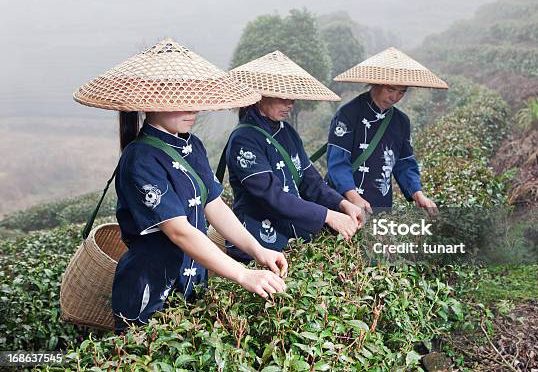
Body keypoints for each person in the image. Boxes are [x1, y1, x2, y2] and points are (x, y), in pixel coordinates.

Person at [73, 39, 288, 332]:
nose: (193, 109)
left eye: (193, 97)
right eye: (178, 99)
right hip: (150, 290)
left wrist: (257, 249)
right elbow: (179, 231)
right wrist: (242, 275)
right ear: (150, 101)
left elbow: (214, 205)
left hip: (192, 280)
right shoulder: (140, 158)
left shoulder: (193, 145)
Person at [220, 51, 364, 262]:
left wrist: (343, 204)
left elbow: (310, 179)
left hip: (292, 234)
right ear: (260, 96)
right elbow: (272, 197)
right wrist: (328, 216)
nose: (290, 104)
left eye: (292, 97)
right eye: (282, 97)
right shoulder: (244, 139)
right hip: (257, 239)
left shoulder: (287, 131)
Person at [326, 47, 448, 214]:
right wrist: (353, 197)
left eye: (401, 92)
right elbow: (338, 162)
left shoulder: (401, 122)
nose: (395, 97)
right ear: (376, 84)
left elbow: (404, 162)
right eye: (390, 89)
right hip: (346, 202)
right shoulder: (348, 114)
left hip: (380, 203)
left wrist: (418, 193)